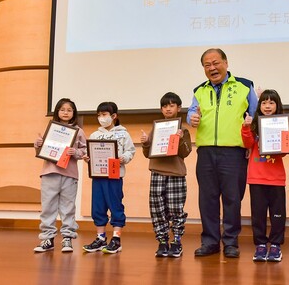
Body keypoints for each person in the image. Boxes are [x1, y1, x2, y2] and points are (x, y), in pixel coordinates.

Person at [187, 48, 258, 258]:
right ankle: (209, 241)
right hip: (206, 151)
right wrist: (192, 118)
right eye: (207, 65)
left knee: (232, 198)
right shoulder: (199, 90)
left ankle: (230, 242)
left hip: (234, 152)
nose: (212, 68)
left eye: (216, 63)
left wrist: (250, 145)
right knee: (207, 199)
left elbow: (255, 116)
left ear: (226, 63)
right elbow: (192, 111)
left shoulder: (245, 86)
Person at [241, 89, 289, 262]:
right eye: (264, 102)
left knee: (278, 214)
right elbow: (247, 143)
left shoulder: (282, 124)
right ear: (259, 106)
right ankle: (261, 245)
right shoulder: (255, 125)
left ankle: (276, 246)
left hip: (276, 179)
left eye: (271, 102)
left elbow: (284, 153)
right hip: (256, 177)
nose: (267, 106)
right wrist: (246, 127)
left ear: (277, 105)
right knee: (258, 214)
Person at [140, 92, 192, 258]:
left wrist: (181, 139)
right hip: (157, 173)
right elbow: (148, 154)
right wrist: (146, 142)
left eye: (171, 105)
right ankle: (162, 241)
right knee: (157, 210)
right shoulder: (156, 128)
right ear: (161, 109)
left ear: (178, 108)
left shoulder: (182, 129)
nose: (168, 109)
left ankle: (176, 241)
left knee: (176, 209)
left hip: (176, 174)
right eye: (165, 106)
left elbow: (185, 153)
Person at [33, 98, 87, 253]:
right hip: (50, 173)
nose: (65, 112)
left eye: (69, 110)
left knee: (68, 207)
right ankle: (47, 239)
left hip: (69, 175)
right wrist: (38, 145)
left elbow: (85, 150)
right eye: (62, 109)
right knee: (48, 207)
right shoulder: (51, 129)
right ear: (57, 111)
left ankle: (67, 239)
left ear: (74, 113)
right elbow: (42, 151)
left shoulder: (79, 131)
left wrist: (75, 152)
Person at [82, 102, 135, 254]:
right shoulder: (94, 135)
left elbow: (130, 151)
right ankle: (100, 238)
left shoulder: (123, 133)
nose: (101, 118)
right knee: (97, 206)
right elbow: (89, 152)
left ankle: (116, 239)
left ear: (113, 116)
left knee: (115, 205)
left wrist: (123, 158)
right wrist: (88, 158)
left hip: (114, 175)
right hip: (98, 176)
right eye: (99, 115)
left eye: (104, 115)